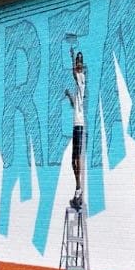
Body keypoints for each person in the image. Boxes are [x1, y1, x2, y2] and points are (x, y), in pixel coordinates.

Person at [63, 50, 87, 209]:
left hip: (79, 125)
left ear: (81, 65)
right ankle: (77, 188)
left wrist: (71, 56)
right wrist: (69, 96)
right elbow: (75, 105)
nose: (77, 65)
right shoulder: (79, 84)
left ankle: (79, 190)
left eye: (79, 62)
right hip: (76, 125)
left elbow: (73, 73)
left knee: (76, 158)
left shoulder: (81, 77)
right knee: (73, 161)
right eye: (76, 62)